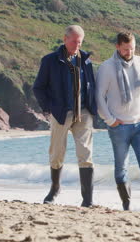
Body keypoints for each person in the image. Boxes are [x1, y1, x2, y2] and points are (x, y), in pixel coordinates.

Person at [95, 31, 140, 212]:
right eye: (125, 49)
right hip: (119, 127)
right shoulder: (106, 67)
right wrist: (109, 120)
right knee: (121, 167)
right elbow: (99, 96)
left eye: (132, 48)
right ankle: (126, 205)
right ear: (117, 47)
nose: (129, 52)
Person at [33, 25, 97, 207]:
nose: (77, 45)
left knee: (86, 154)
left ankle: (88, 199)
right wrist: (49, 108)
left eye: (80, 42)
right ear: (65, 39)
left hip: (84, 112)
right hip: (61, 113)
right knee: (56, 153)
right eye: (74, 41)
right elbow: (38, 87)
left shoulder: (86, 60)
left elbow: (91, 84)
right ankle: (55, 188)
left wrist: (93, 107)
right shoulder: (50, 61)